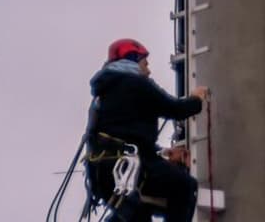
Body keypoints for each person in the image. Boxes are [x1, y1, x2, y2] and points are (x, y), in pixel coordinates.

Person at [86, 38, 209, 222]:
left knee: (138, 212)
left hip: (104, 174)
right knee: (184, 187)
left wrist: (162, 152)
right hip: (127, 169)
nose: (148, 70)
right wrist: (196, 99)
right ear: (133, 60)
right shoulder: (136, 84)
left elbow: (126, 134)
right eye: (145, 63)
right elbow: (175, 109)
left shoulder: (103, 94)